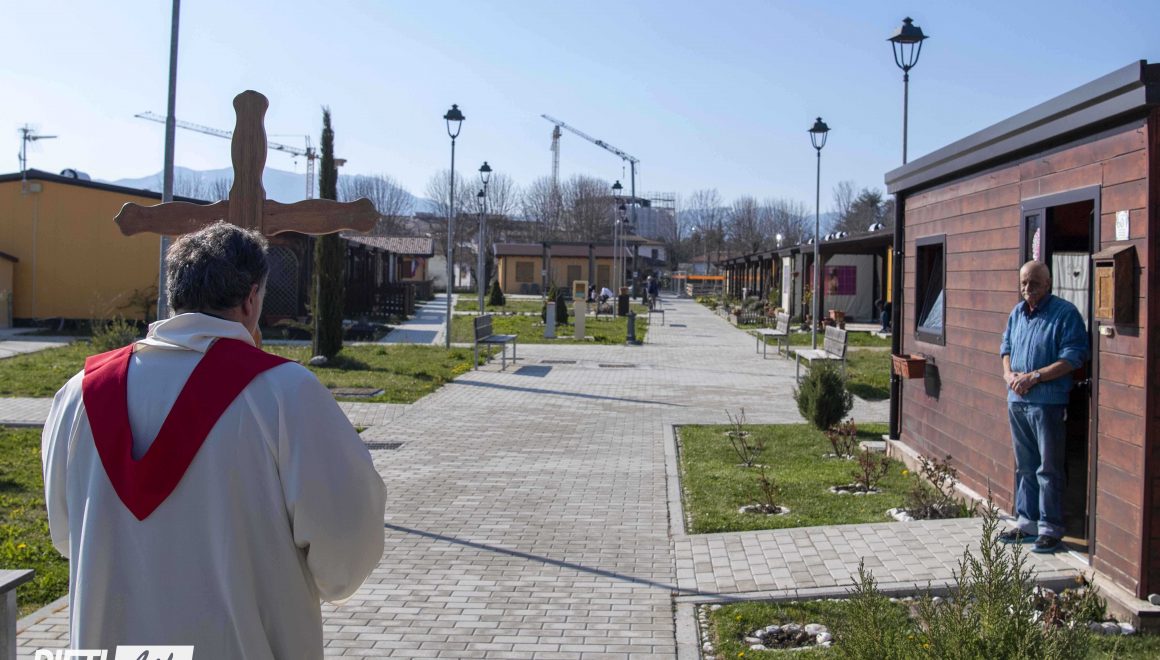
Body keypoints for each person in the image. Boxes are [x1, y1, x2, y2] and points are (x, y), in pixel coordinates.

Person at [42, 222, 386, 657]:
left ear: (174, 296)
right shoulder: (285, 392)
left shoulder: (79, 394)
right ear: (251, 298)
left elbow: (66, 533)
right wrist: (331, 579)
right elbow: (345, 533)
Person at [998, 260, 1088, 554]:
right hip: (1017, 401)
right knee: (1025, 466)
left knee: (1048, 468)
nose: (1028, 288)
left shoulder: (1065, 313)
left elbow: (1073, 357)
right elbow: (1005, 348)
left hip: (1048, 402)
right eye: (1024, 283)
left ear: (1048, 284)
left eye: (1034, 283)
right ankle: (1027, 523)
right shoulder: (1017, 313)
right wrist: (1009, 375)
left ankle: (1050, 529)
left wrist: (1035, 376)